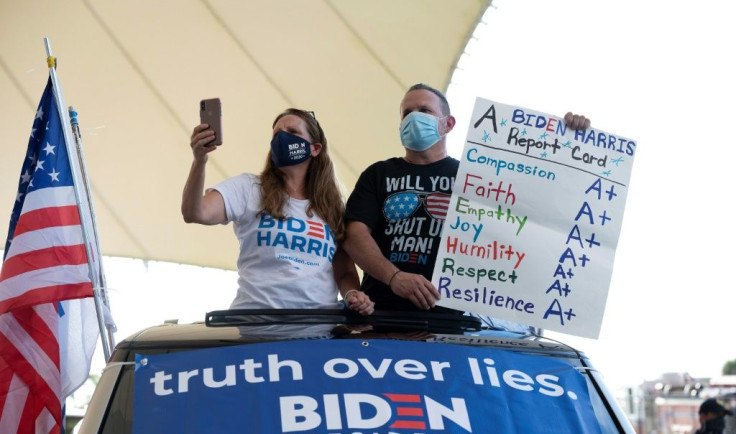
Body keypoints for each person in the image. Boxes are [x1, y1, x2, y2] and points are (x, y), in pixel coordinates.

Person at [343, 83, 590, 311]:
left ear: (448, 124)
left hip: (456, 323)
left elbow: (540, 207)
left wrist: (571, 141)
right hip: (380, 315)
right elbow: (354, 236)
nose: (414, 117)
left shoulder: (478, 179)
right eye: (407, 113)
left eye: (424, 110)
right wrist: (394, 277)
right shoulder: (378, 174)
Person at [182, 108, 374, 315]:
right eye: (276, 134)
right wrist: (199, 161)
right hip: (255, 332)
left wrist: (352, 294)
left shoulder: (333, 207)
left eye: (292, 132)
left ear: (315, 148)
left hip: (316, 335)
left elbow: (345, 271)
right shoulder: (249, 188)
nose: (282, 138)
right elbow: (196, 212)